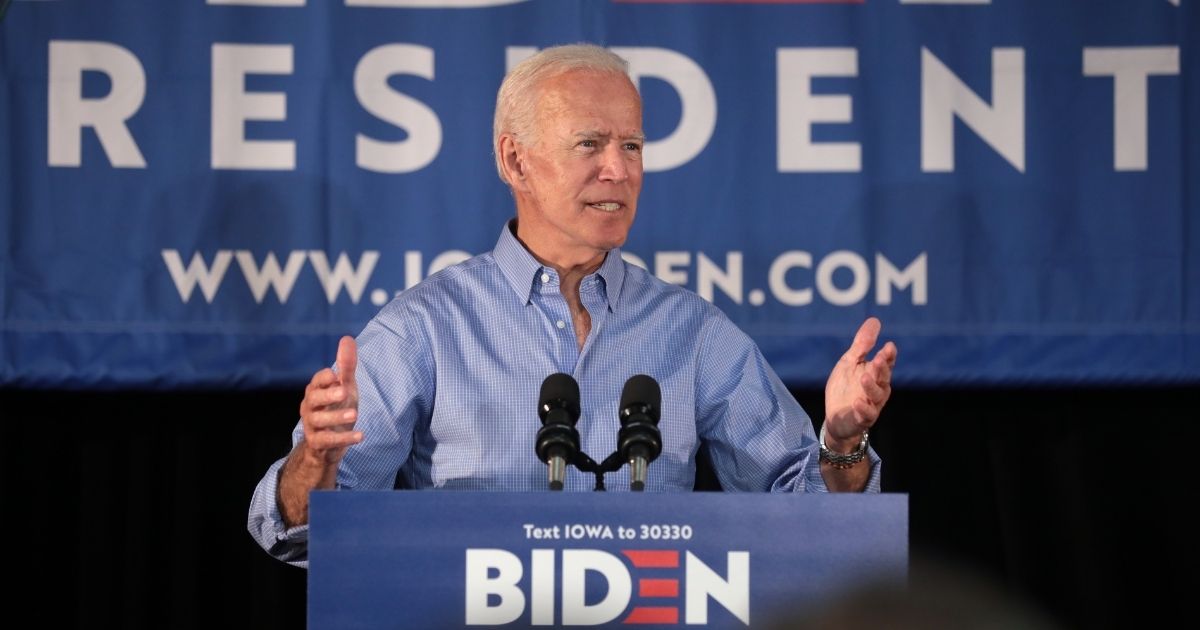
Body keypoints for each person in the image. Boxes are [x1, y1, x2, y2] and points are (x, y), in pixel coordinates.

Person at [248, 43, 897, 567]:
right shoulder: (426, 327)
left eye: (633, 146)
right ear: (516, 161)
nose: (618, 169)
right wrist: (316, 464)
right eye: (590, 144)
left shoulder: (692, 331)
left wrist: (842, 444)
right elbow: (296, 533)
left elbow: (813, 522)